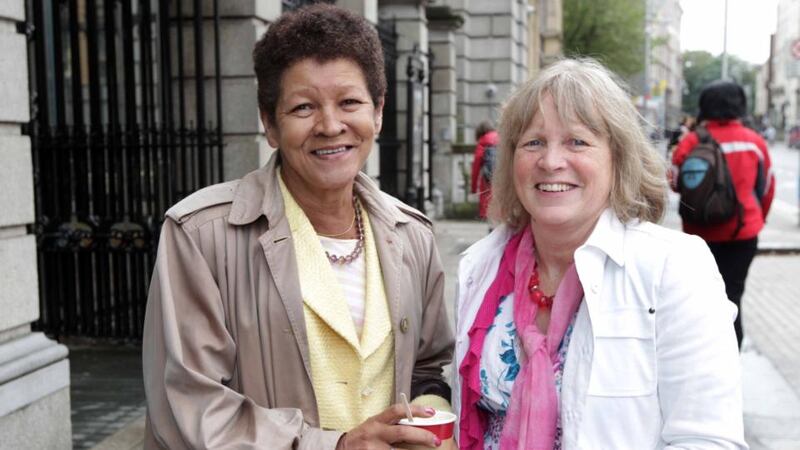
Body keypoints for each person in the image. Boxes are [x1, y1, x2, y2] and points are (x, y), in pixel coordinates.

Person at [142, 5, 454, 449]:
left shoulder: (412, 235)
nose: (330, 126)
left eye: (350, 102)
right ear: (270, 124)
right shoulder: (200, 235)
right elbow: (188, 405)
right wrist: (336, 445)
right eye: (303, 107)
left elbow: (428, 367)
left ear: (378, 112)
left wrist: (431, 415)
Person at [452, 59, 747, 449]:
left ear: (617, 158)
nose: (551, 161)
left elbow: (707, 439)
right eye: (533, 142)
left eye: (577, 141)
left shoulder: (674, 269)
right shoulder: (480, 266)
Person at [672, 80, 774, 349]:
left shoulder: (692, 141)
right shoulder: (754, 143)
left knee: (700, 298)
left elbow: (673, 180)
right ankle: (731, 353)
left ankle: (701, 351)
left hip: (699, 234)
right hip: (744, 233)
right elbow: (766, 188)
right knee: (733, 295)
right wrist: (757, 219)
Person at [470, 121, 499, 219]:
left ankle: (492, 229)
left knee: (489, 207)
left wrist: (473, 188)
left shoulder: (482, 143)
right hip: (503, 179)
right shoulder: (502, 140)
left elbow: (475, 169)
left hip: (488, 182)